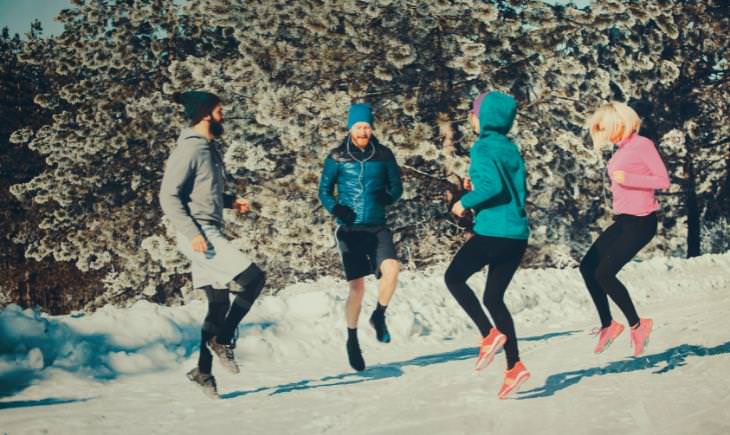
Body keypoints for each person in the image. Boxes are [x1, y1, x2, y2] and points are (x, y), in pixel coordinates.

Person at [159, 91, 267, 398]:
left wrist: (231, 201)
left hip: (204, 228)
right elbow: (169, 195)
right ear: (206, 113)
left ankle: (203, 373)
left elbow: (202, 193)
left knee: (219, 304)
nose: (223, 115)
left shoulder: (207, 148)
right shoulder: (190, 149)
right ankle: (222, 340)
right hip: (199, 233)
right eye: (219, 110)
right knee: (254, 278)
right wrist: (191, 232)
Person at [445, 91, 530, 399]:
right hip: (517, 236)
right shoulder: (509, 148)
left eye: (474, 114)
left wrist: (465, 202)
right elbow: (508, 185)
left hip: (493, 232)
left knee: (453, 278)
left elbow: (493, 187)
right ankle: (514, 366)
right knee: (494, 298)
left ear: (484, 118)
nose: (471, 118)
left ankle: (488, 334)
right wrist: (475, 186)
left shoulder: (482, 147)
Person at [318, 103, 403, 372]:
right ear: (350, 128)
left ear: (372, 127)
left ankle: (379, 315)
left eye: (367, 126)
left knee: (392, 270)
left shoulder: (385, 155)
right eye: (359, 127)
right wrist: (335, 208)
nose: (363, 131)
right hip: (350, 229)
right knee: (357, 288)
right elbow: (323, 191)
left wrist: (387, 197)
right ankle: (352, 339)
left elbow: (397, 187)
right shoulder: (336, 157)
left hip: (377, 226)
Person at [581, 101, 670, 357]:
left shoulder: (643, 145)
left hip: (642, 222)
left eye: (606, 128)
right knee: (587, 267)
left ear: (620, 123)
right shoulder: (620, 150)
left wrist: (629, 180)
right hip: (624, 221)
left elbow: (662, 180)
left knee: (604, 274)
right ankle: (609, 325)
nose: (605, 134)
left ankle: (638, 325)